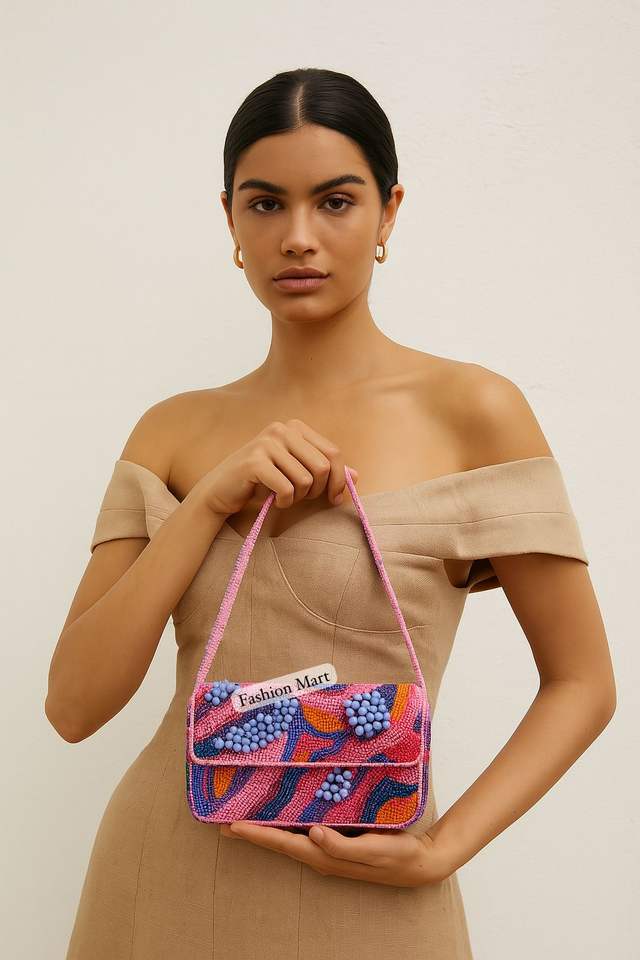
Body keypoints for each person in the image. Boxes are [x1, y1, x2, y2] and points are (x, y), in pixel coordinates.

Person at [47, 67, 616, 960]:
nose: (298, 237)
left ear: (389, 213)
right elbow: (74, 706)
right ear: (230, 221)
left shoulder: (474, 411)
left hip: (377, 887)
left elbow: (583, 683)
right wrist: (212, 499)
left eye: (336, 202)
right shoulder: (172, 430)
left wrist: (442, 849)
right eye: (265, 204)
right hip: (164, 883)